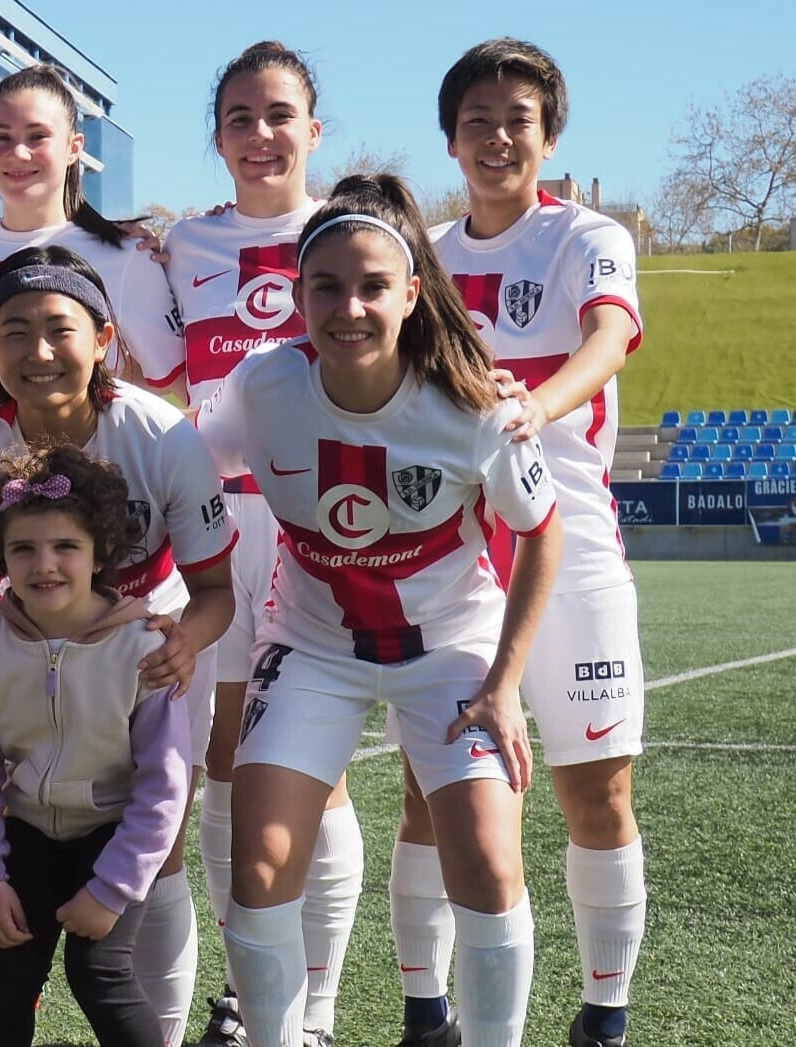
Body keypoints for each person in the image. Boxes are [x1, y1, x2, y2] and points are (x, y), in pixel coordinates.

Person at [194, 174, 562, 1047]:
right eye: (326, 286)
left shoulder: (475, 406)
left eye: (371, 287)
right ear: (297, 294)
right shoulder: (264, 386)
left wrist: (505, 685)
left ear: (409, 295)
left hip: (450, 649)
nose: (348, 307)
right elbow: (181, 467)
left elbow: (543, 535)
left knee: (486, 859)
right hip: (313, 648)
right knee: (262, 863)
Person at [387, 39, 648, 1047]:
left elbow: (606, 338)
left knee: (596, 790)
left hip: (567, 543)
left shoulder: (587, 235)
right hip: (448, 553)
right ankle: (424, 1010)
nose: (498, 139)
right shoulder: (427, 262)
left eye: (518, 122)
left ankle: (602, 1012)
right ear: (450, 139)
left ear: (547, 135)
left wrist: (528, 409)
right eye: (477, 123)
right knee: (431, 792)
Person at [0, 245, 236, 1044]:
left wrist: (179, 649)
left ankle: (161, 1027)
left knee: (154, 845)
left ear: (103, 338)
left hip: (151, 635)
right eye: (13, 331)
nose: (37, 351)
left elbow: (215, 592)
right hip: (26, 638)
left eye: (59, 329)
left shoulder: (162, 434)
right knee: (14, 826)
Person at [160, 42, 361, 1047]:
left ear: (310, 130)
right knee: (219, 765)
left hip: (322, 530)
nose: (257, 133)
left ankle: (313, 1011)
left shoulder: (350, 232)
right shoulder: (184, 247)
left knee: (305, 770)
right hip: (210, 535)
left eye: (276, 114)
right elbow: (163, 383)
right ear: (216, 134)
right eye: (237, 116)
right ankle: (251, 997)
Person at [0, 440, 193, 1047]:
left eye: (65, 547)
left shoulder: (144, 649)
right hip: (28, 831)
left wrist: (110, 890)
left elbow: (165, 785)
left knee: (97, 971)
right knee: (5, 973)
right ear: (0, 557)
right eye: (23, 549)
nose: (44, 564)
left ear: (101, 552)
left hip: (114, 834)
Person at [0, 64, 184, 399]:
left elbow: (181, 388)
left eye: (38, 136)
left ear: (74, 147)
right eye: (1, 138)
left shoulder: (126, 255)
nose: (18, 153)